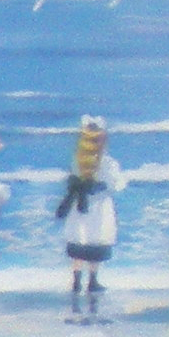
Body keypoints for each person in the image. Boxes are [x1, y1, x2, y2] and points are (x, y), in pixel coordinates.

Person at [52, 117, 124, 321]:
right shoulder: (108, 163)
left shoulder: (78, 161)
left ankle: (77, 281)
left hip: (80, 206)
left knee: (80, 240)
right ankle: (92, 280)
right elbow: (115, 184)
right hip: (99, 207)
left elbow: (72, 180)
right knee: (96, 240)